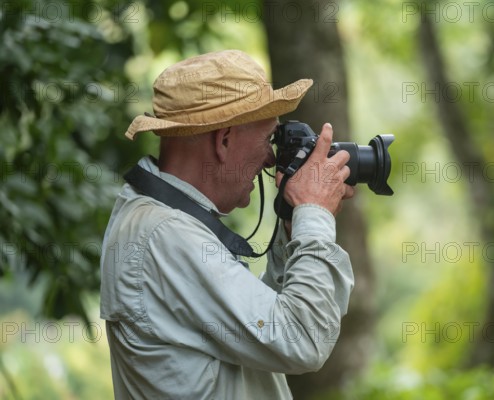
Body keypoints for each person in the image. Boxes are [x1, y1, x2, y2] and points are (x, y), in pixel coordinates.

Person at [100, 49, 355, 399]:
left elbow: (261, 330)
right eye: (269, 139)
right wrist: (314, 214)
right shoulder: (164, 235)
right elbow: (302, 340)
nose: (271, 157)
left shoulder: (156, 221)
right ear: (223, 140)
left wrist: (292, 233)